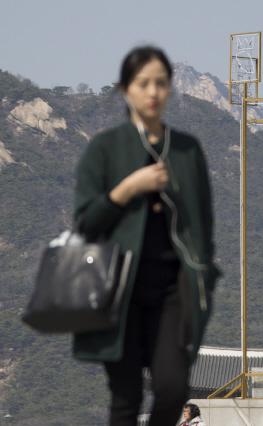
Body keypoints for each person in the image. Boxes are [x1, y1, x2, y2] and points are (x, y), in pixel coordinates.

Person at [74, 46, 218, 426]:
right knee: (126, 398)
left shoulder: (187, 150)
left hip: (172, 291)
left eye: (161, 83)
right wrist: (128, 188)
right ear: (125, 89)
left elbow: (204, 225)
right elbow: (86, 222)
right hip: (117, 288)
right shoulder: (104, 149)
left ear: (170, 90)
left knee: (172, 390)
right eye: (143, 83)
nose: (152, 92)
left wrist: (205, 276)